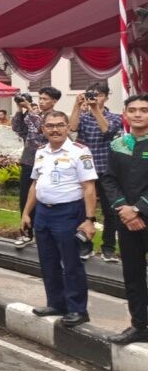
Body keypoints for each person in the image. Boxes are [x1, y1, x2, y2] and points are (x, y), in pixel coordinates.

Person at [21, 110, 97, 328]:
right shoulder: (41, 152)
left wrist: (90, 219)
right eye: (50, 125)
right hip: (43, 213)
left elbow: (89, 187)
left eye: (60, 125)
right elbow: (35, 184)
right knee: (48, 261)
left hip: (69, 212)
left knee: (71, 262)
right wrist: (27, 213)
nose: (55, 129)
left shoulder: (79, 152)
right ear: (43, 129)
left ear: (67, 127)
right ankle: (56, 303)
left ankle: (77, 309)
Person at [100, 93, 148, 345]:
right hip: (126, 221)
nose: (138, 114)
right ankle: (139, 325)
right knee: (132, 274)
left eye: (144, 110)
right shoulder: (118, 145)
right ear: (125, 114)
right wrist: (124, 209)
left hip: (142, 215)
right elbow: (108, 179)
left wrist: (138, 209)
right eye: (133, 110)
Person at [69, 82, 123, 261]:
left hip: (107, 170)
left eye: (99, 95)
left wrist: (95, 109)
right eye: (92, 94)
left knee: (111, 212)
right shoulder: (83, 116)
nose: (95, 98)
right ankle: (86, 246)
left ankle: (108, 248)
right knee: (84, 210)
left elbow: (106, 129)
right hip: (85, 170)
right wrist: (76, 106)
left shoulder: (114, 117)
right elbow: (72, 128)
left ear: (107, 97)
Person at [12, 86, 61, 248]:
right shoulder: (33, 114)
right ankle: (26, 233)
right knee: (25, 199)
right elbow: (17, 129)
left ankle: (48, 234)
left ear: (54, 101)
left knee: (46, 198)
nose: (41, 101)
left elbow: (44, 128)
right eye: (40, 98)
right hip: (28, 160)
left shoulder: (55, 118)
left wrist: (29, 111)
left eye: (45, 99)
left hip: (47, 163)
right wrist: (20, 110)